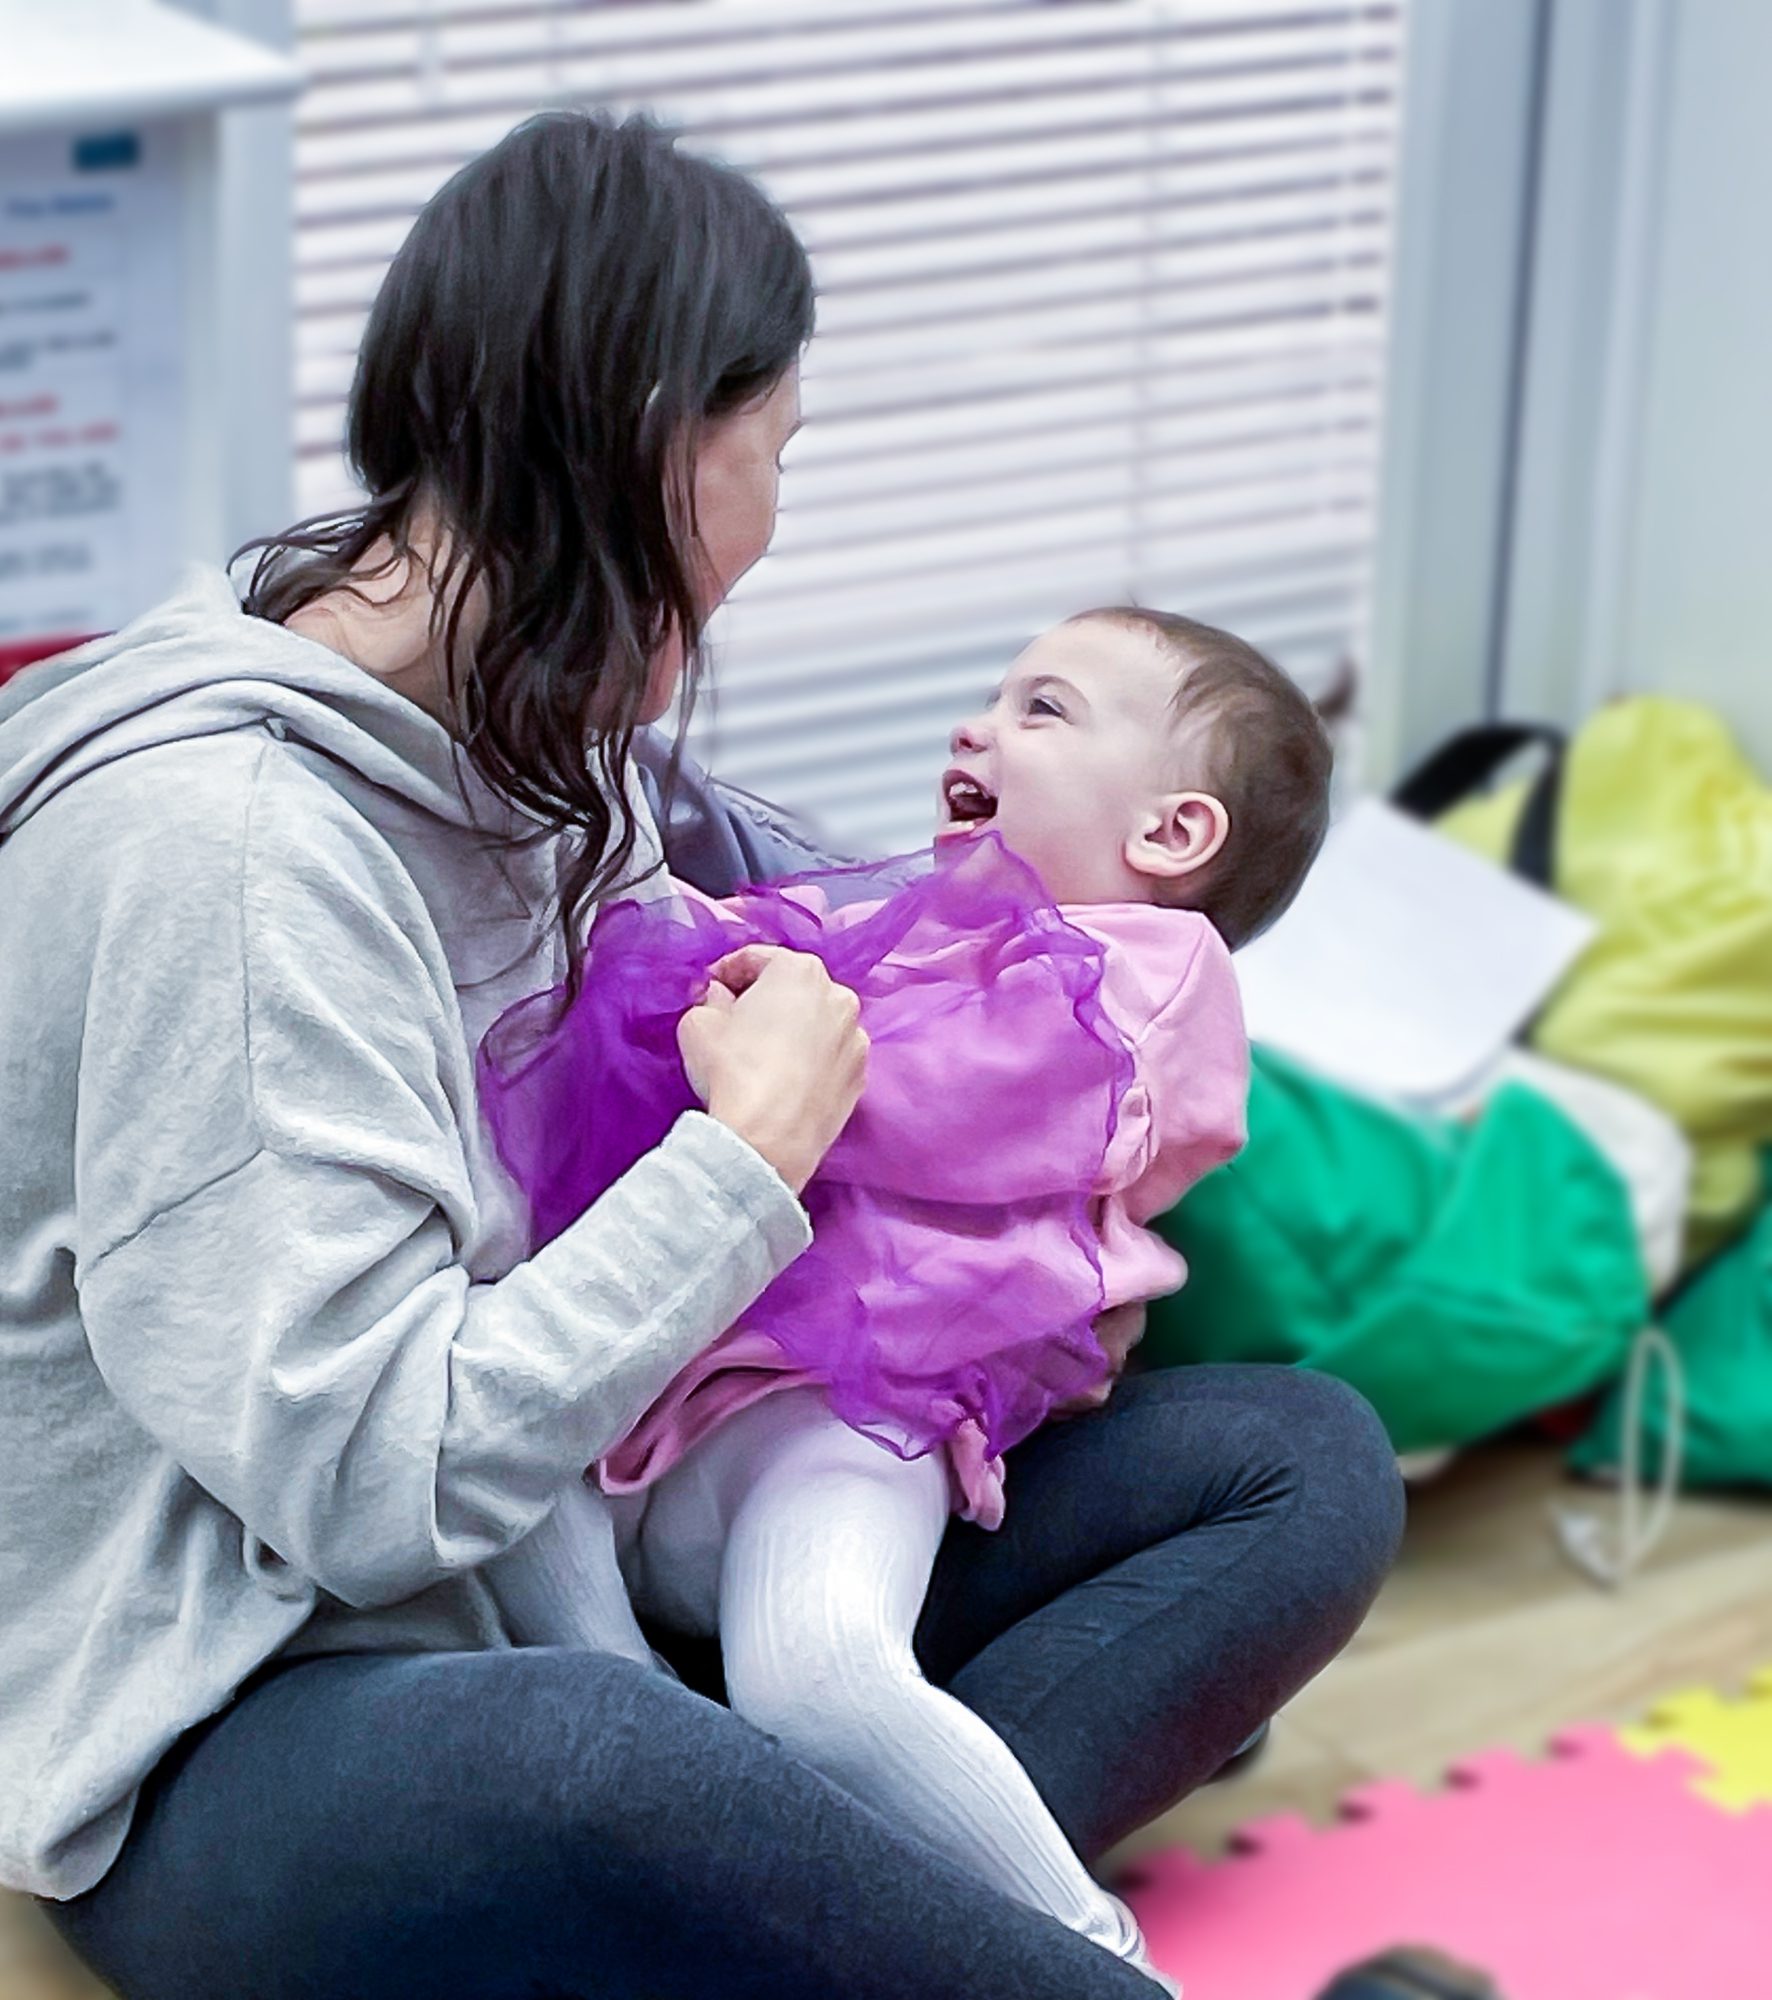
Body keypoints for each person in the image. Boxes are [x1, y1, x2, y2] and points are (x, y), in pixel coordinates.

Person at [0, 112, 1404, 1999]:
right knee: (619, 1765)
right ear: (655, 448)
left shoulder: (529, 712)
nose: (776, 522)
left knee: (1303, 1465)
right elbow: (369, 1483)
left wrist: (1043, 1210)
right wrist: (740, 1171)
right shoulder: (230, 867)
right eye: (775, 455)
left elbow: (822, 905)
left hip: (616, 1522)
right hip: (262, 1695)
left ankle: (800, 1898)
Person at [479, 604, 1333, 1993]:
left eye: (1043, 710)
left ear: (1170, 836)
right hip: (659, 1413)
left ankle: (1090, 1957)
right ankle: (648, 1740)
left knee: (818, 1671)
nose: (976, 727)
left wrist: (769, 1064)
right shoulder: (911, 921)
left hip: (849, 1410)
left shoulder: (1152, 979)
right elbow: (737, 925)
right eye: (995, 698)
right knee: (487, 1467)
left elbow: (961, 1107)